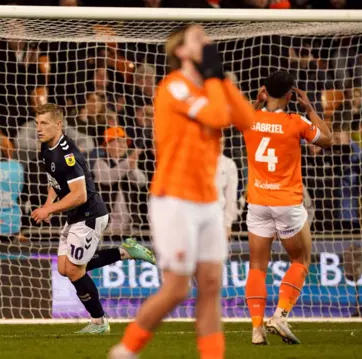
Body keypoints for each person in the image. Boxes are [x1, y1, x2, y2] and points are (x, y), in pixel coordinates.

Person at [109, 25, 256, 359]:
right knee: (176, 289)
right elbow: (218, 117)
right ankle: (124, 351)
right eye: (199, 39)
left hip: (208, 203)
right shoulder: (173, 87)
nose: (208, 43)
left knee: (210, 288)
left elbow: (248, 121)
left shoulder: (213, 85)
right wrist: (218, 80)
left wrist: (222, 80)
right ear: (181, 51)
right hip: (174, 198)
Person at [30, 103, 156, 334]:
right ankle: (125, 251)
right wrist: (49, 204)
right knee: (63, 268)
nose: (39, 128)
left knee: (75, 271)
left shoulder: (67, 154)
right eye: (37, 123)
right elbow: (54, 180)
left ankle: (99, 322)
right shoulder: (46, 147)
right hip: (75, 216)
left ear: (58, 124)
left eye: (44, 123)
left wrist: (50, 210)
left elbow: (79, 195)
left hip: (89, 215)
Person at [243, 71, 332, 345]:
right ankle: (280, 315)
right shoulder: (296, 122)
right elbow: (327, 140)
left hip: (257, 202)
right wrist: (310, 109)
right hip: (287, 203)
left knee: (257, 267)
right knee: (300, 260)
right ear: (291, 96)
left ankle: (257, 329)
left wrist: (257, 103)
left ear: (264, 91)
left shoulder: (251, 118)